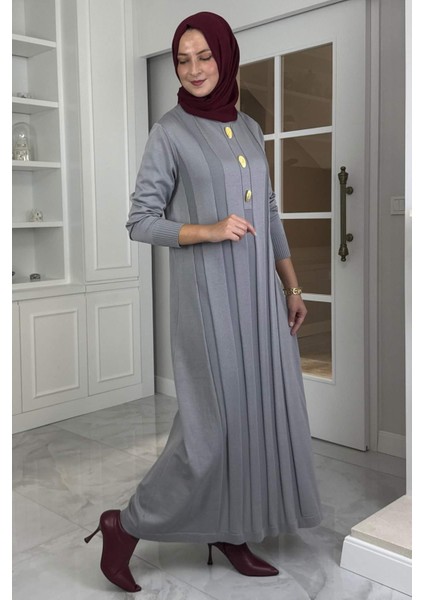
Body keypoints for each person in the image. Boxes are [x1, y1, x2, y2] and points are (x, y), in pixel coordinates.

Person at [85, 11, 323, 593]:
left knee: (251, 419)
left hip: (260, 302)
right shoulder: (169, 132)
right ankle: (125, 526)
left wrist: (291, 286)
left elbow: (268, 213)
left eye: (205, 57)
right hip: (207, 302)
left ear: (225, 57)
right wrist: (208, 230)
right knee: (207, 431)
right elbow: (140, 220)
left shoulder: (249, 128)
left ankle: (230, 530)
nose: (193, 70)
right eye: (182, 60)